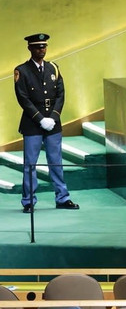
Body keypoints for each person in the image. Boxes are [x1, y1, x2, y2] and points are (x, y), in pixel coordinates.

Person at [14, 33, 79, 213]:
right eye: (37, 47)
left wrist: (54, 117)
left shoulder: (53, 68)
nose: (41, 50)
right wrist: (40, 119)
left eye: (43, 46)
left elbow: (60, 94)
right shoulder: (22, 70)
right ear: (30, 48)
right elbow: (23, 98)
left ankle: (62, 197)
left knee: (56, 162)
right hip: (32, 122)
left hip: (52, 122)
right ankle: (28, 201)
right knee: (30, 164)